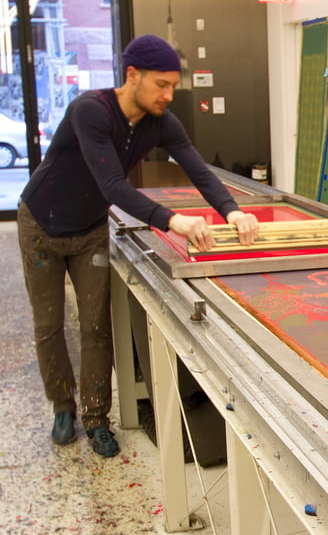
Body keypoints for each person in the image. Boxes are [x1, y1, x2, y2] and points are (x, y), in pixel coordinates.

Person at [17, 34, 259, 458]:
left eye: (173, 86)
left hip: (90, 229)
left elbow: (198, 169)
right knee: (50, 325)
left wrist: (232, 211)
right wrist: (174, 220)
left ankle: (95, 419)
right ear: (132, 76)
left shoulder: (162, 122)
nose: (169, 95)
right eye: (161, 85)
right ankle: (62, 408)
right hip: (41, 224)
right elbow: (111, 185)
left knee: (95, 326)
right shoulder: (90, 111)